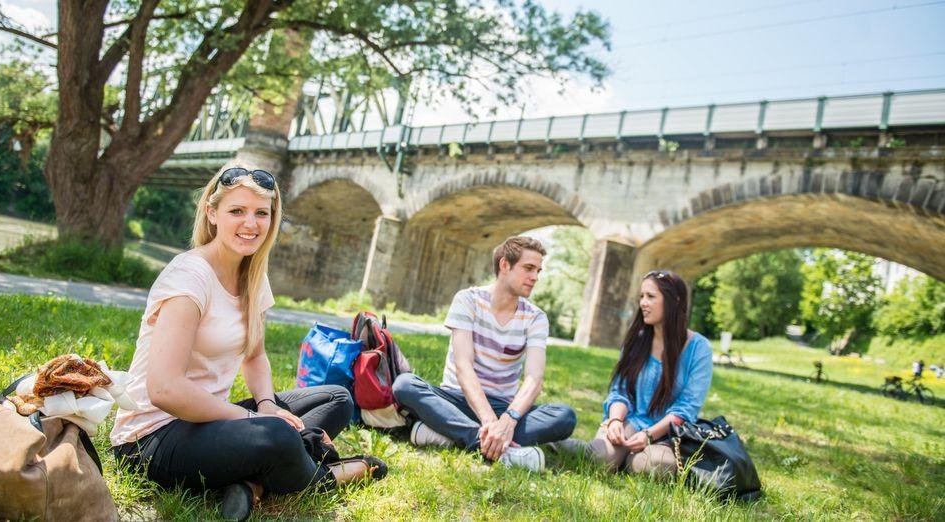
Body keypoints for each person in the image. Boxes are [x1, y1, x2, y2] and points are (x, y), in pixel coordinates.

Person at [110, 167, 386, 521]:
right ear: (212, 214)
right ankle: (324, 477)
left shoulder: (252, 275)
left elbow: (254, 355)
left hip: (208, 419)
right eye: (237, 211)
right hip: (151, 438)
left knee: (336, 398)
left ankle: (248, 480)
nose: (251, 224)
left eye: (261, 213)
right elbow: (165, 390)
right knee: (276, 436)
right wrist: (253, 418)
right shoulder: (189, 277)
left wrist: (268, 405)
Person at [392, 236, 577, 472]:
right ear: (504, 265)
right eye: (528, 268)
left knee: (565, 416)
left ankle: (447, 435)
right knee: (405, 385)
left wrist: (508, 420)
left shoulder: (536, 318)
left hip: (503, 406)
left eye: (538, 271)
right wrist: (490, 423)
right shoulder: (467, 300)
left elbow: (534, 378)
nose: (535, 277)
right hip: (456, 399)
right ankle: (500, 448)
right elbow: (463, 366)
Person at [585, 269, 713, 477]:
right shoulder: (637, 339)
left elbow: (686, 408)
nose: (643, 303)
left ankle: (627, 459)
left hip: (667, 434)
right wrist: (616, 420)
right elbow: (620, 390)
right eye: (641, 296)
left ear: (676, 301)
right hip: (631, 421)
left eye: (651, 296)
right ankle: (568, 446)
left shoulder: (699, 348)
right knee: (600, 458)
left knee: (653, 465)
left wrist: (648, 435)